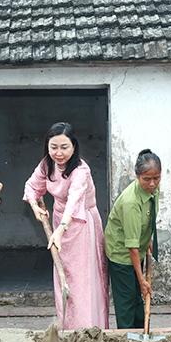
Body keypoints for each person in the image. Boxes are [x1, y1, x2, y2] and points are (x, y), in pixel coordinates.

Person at [23, 122, 109, 329]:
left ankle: (88, 327)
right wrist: (35, 207)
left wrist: (61, 230)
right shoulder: (47, 164)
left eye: (64, 147)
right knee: (65, 275)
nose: (58, 153)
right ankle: (67, 326)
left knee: (82, 279)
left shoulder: (81, 170)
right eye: (53, 147)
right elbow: (32, 186)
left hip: (81, 224)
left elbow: (74, 200)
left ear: (74, 146)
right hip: (59, 221)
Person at [104, 149, 160, 330]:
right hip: (121, 253)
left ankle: (141, 331)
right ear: (137, 176)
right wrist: (142, 281)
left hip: (138, 248)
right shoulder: (131, 203)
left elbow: (149, 217)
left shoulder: (153, 190)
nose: (152, 183)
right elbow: (132, 248)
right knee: (127, 299)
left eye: (156, 178)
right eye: (146, 179)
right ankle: (127, 336)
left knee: (137, 297)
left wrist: (148, 238)